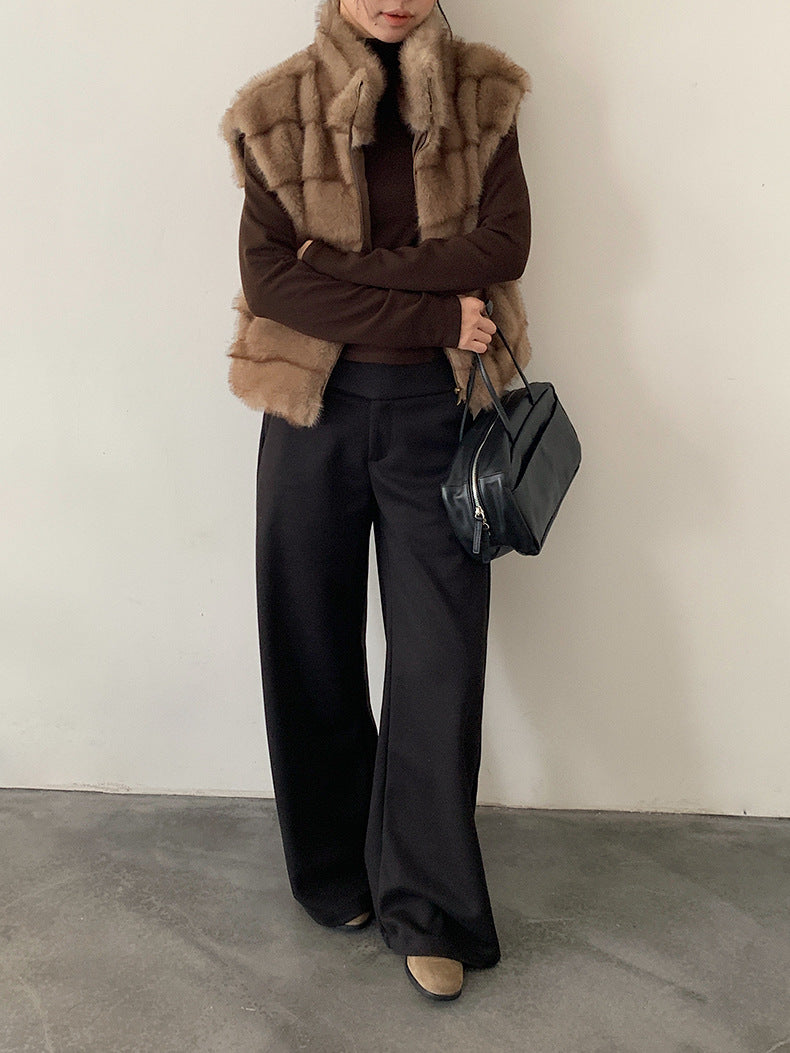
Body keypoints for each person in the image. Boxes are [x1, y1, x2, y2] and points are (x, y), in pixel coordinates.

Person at [221, 0, 531, 1003]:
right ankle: (334, 868)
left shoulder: (485, 94)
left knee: (439, 659)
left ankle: (428, 906)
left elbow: (502, 247)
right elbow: (274, 285)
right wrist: (433, 311)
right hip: (308, 416)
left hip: (438, 417)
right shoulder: (273, 109)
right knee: (309, 640)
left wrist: (347, 274)